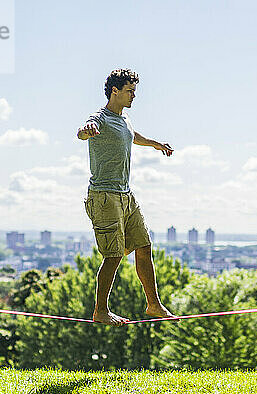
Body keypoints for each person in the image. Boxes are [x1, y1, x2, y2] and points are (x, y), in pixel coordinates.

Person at [77, 68, 176, 326]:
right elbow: (83, 130)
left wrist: (155, 144)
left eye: (134, 91)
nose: (134, 96)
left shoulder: (125, 119)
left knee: (144, 247)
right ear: (115, 91)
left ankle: (153, 304)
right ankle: (100, 311)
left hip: (126, 195)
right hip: (104, 196)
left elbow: (133, 136)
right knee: (114, 255)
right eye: (130, 91)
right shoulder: (100, 117)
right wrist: (87, 130)